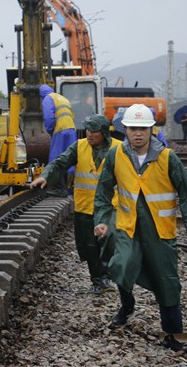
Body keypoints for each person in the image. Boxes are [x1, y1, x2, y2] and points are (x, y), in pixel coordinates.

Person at [93, 103, 187, 352]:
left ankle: (172, 334)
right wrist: (102, 220)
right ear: (124, 129)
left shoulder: (168, 158)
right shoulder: (117, 155)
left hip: (160, 231)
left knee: (167, 281)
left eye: (143, 129)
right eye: (133, 128)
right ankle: (126, 306)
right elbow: (103, 191)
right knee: (121, 265)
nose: (138, 133)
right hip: (128, 226)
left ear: (152, 130)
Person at [31, 115, 120, 294]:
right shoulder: (79, 147)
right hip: (84, 206)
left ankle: (106, 276)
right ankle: (98, 280)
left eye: (93, 130)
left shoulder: (119, 148)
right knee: (89, 246)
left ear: (103, 132)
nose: (88, 134)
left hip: (111, 207)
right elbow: (59, 163)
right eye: (87, 130)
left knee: (110, 241)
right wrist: (45, 176)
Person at [39, 84, 77, 197]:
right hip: (71, 129)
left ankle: (58, 189)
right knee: (70, 159)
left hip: (60, 130)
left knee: (56, 158)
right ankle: (68, 188)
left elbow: (49, 117)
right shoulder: (62, 98)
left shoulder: (47, 98)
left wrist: (50, 130)